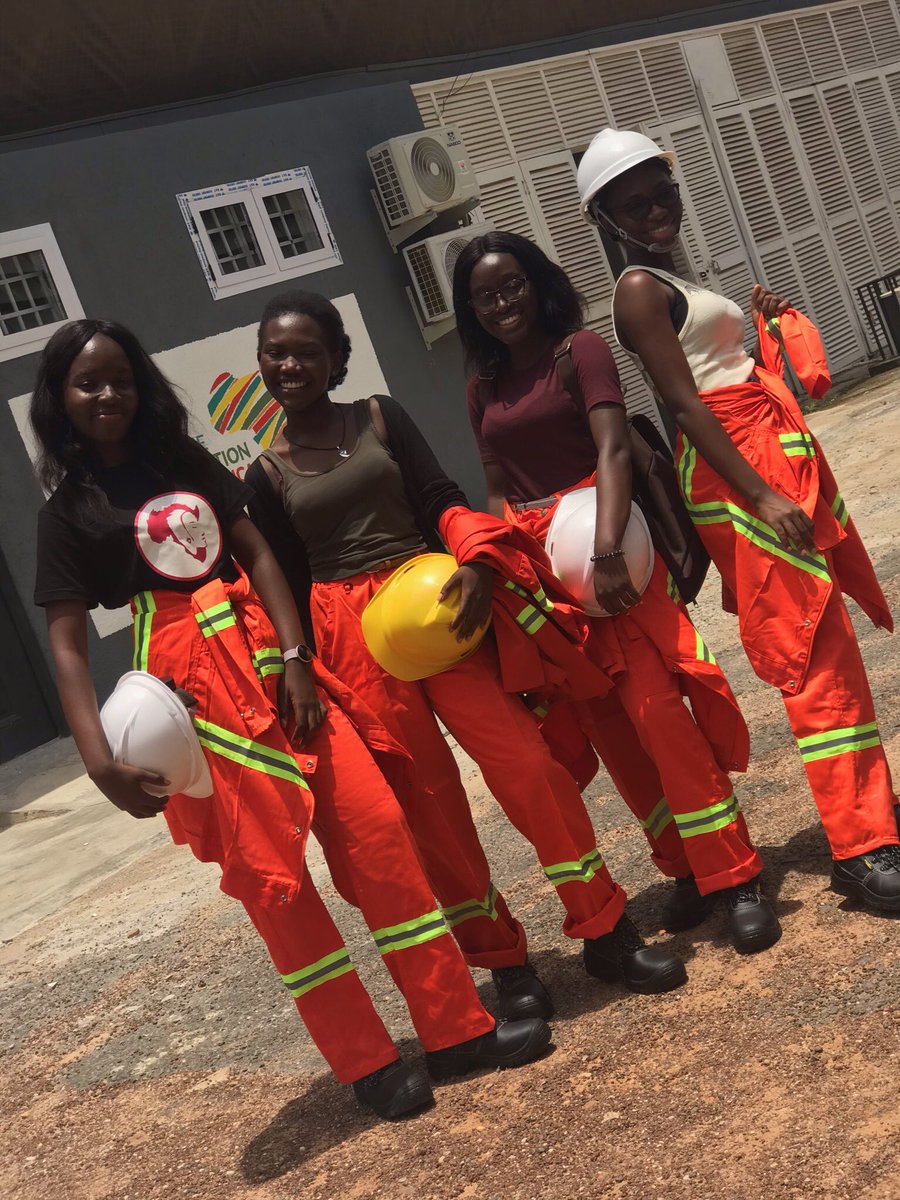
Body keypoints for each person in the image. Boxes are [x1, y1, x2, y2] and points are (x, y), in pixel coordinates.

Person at [30, 318, 551, 1123]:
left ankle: (456, 1031)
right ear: (59, 400)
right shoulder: (68, 512)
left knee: (378, 835)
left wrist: (298, 658)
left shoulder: (184, 462)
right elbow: (66, 645)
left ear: (142, 387)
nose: (108, 396)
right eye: (88, 383)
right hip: (191, 697)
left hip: (269, 661)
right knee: (277, 885)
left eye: (121, 379)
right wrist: (100, 761)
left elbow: (260, 553)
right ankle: (368, 1062)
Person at [245, 290, 688, 1008]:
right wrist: (299, 668)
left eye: (305, 351)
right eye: (275, 352)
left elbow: (441, 495)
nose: (289, 363)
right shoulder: (264, 475)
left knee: (528, 767)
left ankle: (606, 929)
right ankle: (504, 963)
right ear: (262, 363)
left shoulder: (381, 417)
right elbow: (286, 588)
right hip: (353, 641)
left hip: (437, 604)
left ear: (334, 359)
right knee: (430, 809)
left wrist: (477, 560)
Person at [575, 126, 899, 914]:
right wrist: (758, 493)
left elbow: (723, 370)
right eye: (636, 201)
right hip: (739, 475)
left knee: (832, 645)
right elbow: (686, 404)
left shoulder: (673, 276)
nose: (657, 208)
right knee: (809, 647)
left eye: (664, 192)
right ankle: (859, 849)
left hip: (763, 452)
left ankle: (873, 818)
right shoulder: (638, 291)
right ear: (605, 217)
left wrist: (760, 327)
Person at [452, 229, 782, 955]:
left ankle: (736, 875)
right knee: (613, 733)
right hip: (550, 574)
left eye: (513, 286)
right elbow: (500, 486)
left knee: (659, 714)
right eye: (485, 295)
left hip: (612, 549)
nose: (502, 303)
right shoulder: (483, 387)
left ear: (538, 285)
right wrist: (520, 577)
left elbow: (610, 449)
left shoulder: (581, 352)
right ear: (469, 309)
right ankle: (685, 869)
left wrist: (604, 551)